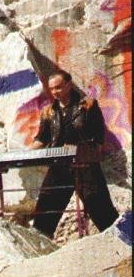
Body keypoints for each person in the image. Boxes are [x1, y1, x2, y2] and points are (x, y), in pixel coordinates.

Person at [28, 70, 119, 238]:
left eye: (58, 87)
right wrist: (27, 153)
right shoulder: (48, 111)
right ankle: (40, 244)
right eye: (52, 89)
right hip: (59, 166)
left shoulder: (87, 105)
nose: (55, 92)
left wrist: (90, 151)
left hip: (84, 164)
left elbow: (99, 134)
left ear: (69, 85)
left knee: (100, 207)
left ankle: (120, 241)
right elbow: (42, 138)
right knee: (46, 207)